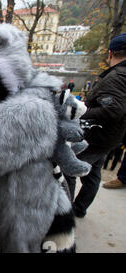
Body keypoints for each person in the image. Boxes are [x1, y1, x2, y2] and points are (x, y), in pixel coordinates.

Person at [64, 32, 126, 218]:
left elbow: (113, 109)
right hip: (111, 137)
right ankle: (80, 208)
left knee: (69, 170)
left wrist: (80, 111)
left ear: (110, 53)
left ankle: (65, 214)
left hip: (95, 136)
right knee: (93, 173)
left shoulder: (116, 77)